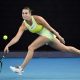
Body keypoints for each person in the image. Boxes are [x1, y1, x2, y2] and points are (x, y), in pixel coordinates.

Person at [4, 6, 80, 75]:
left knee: (31, 47)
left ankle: (21, 68)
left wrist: (59, 37)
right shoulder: (23, 25)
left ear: (30, 14)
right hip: (45, 37)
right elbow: (16, 37)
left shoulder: (38, 18)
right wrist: (8, 45)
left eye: (26, 13)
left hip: (48, 34)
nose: (24, 15)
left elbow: (50, 28)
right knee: (65, 49)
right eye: (23, 13)